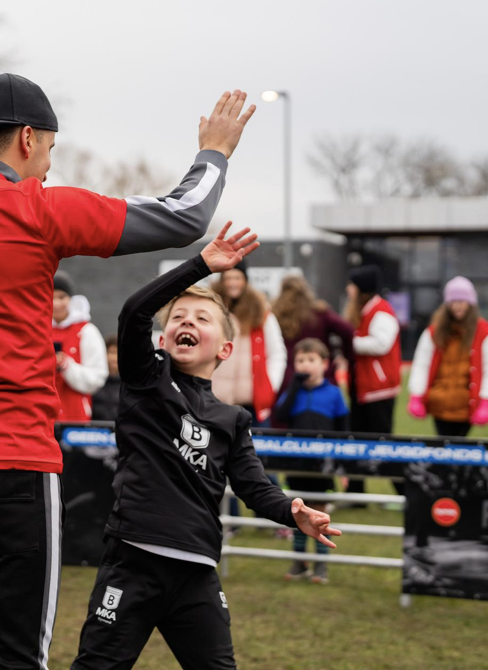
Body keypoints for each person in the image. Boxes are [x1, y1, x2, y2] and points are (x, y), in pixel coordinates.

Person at [0, 73, 258, 669]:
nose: (51, 168)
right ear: (27, 138)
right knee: (17, 660)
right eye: (52, 151)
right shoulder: (37, 208)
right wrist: (215, 150)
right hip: (13, 470)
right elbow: (184, 216)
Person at [71, 224, 339, 670]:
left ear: (226, 348)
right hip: (133, 560)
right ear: (162, 339)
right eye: (178, 317)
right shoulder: (146, 382)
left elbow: (254, 487)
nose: (187, 322)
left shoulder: (232, 421)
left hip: (195, 572)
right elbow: (135, 313)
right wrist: (199, 266)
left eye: (201, 319)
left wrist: (293, 512)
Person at [272, 337, 349, 584]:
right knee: (298, 513)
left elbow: (344, 431)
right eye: (300, 360)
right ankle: (299, 563)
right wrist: (294, 386)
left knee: (321, 515)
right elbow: (280, 415)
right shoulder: (291, 393)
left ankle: (321, 565)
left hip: (323, 467)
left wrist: (343, 467)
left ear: (324, 364)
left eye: (311, 360)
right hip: (297, 467)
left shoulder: (334, 393)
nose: (305, 365)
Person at [406, 276, 488, 437]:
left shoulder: (485, 334)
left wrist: (487, 402)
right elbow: (421, 365)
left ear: (471, 304)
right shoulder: (434, 332)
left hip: (466, 406)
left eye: (462, 301)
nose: (458, 305)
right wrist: (416, 395)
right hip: (439, 404)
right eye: (454, 301)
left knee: (458, 449)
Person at [210, 258, 286, 425]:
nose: (232, 283)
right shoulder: (211, 310)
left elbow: (277, 352)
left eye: (237, 278)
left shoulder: (261, 314)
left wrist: (270, 384)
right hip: (215, 399)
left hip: (252, 402)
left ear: (245, 281)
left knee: (253, 449)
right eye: (228, 278)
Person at [271, 274, 354, 390]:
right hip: (320, 375)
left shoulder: (274, 315)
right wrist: (345, 354)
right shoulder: (319, 312)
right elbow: (348, 330)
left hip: (288, 377)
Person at [345, 265, 401, 435]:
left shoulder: (381, 311)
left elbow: (381, 344)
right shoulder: (364, 310)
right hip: (363, 384)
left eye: (351, 285)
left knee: (379, 432)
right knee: (360, 431)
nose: (348, 288)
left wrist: (350, 343)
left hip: (378, 386)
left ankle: (381, 462)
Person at [52, 271, 108, 421]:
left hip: (76, 420)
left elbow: (97, 378)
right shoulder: (36, 329)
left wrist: (66, 366)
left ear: (70, 299)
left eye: (61, 297)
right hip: (42, 417)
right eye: (51, 297)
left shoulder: (86, 331)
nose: (56, 303)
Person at [91, 335, 121, 422]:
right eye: (111, 352)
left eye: (117, 353)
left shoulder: (129, 385)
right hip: (94, 431)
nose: (114, 358)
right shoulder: (94, 380)